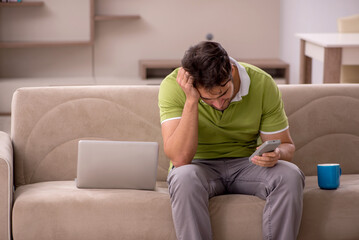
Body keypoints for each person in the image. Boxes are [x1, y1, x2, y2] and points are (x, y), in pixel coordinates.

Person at [158, 41, 305, 240]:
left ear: (232, 70)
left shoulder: (262, 83)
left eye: (223, 93)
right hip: (198, 166)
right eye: (208, 99)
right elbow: (180, 159)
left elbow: (287, 146)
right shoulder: (172, 86)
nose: (218, 104)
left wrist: (277, 154)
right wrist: (192, 100)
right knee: (183, 177)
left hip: (247, 163)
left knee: (290, 175)